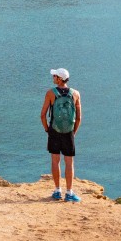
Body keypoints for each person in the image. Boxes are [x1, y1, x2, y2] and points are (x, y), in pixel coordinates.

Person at [41, 67, 82, 202]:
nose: (53, 78)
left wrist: (48, 130)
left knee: (55, 160)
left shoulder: (50, 94)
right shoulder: (75, 94)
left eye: (54, 76)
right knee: (69, 162)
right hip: (68, 132)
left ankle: (57, 191)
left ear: (59, 79)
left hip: (54, 131)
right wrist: (73, 132)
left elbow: (42, 115)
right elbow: (79, 118)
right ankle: (69, 192)